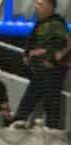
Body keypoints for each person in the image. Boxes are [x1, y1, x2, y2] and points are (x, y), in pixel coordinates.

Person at [13, 0, 68, 129]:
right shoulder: (40, 24)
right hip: (39, 72)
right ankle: (17, 122)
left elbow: (65, 44)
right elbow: (31, 43)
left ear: (50, 6)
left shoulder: (57, 23)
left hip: (51, 73)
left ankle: (52, 131)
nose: (36, 7)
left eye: (40, 4)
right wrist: (27, 55)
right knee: (28, 102)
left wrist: (52, 60)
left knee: (51, 104)